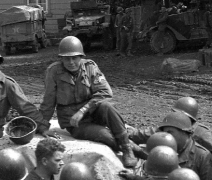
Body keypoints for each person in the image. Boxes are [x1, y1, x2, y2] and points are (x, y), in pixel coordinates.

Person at [38, 36, 137, 167]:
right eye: (67, 58)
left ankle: (127, 149)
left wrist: (83, 110)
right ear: (61, 58)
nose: (71, 62)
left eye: (75, 58)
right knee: (106, 136)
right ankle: (136, 149)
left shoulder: (90, 67)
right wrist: (43, 126)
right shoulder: (53, 72)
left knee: (107, 106)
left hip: (93, 113)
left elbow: (105, 92)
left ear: (81, 57)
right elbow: (48, 101)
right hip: (75, 123)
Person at [128, 96, 212, 169]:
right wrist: (128, 135)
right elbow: (152, 133)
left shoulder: (201, 132)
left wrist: (199, 166)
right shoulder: (172, 125)